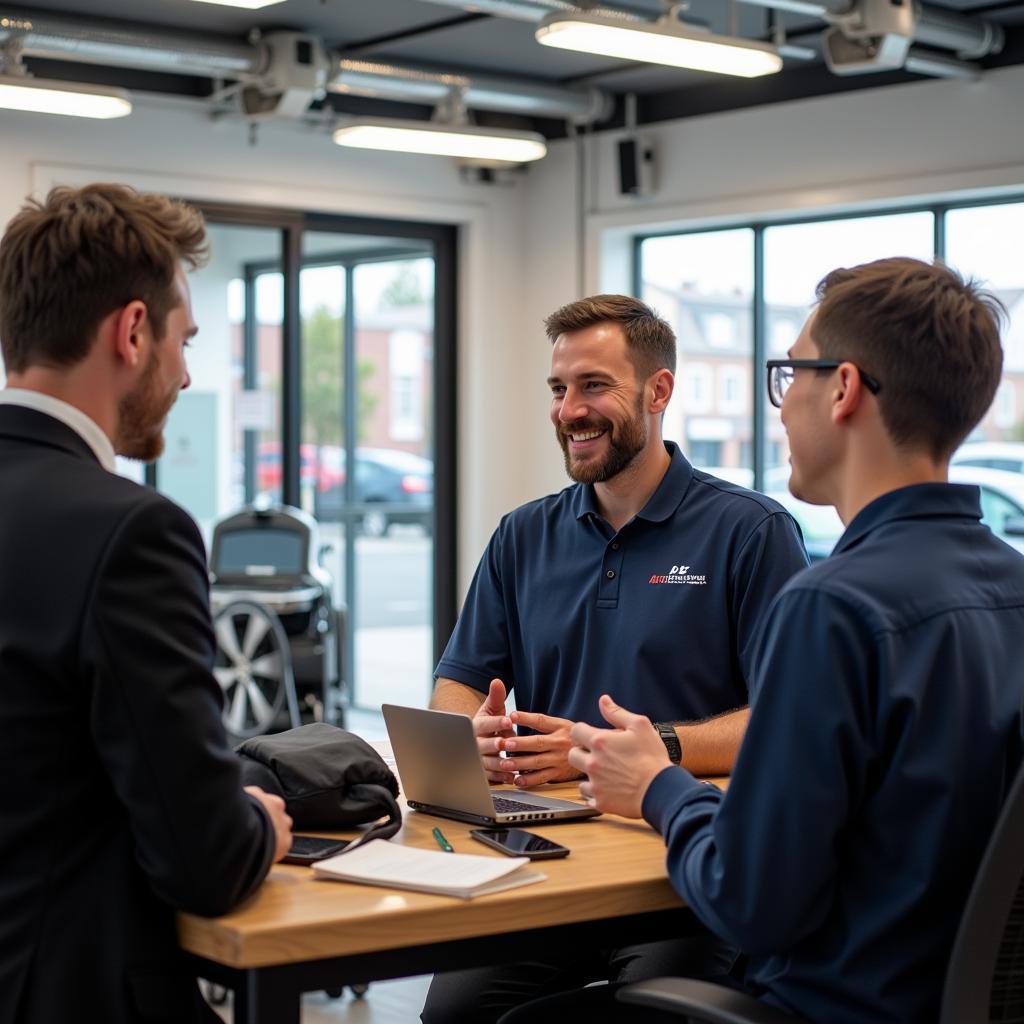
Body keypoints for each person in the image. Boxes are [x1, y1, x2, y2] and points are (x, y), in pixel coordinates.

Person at [550, 257, 1024, 1024]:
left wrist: (658, 785)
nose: (781, 406)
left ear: (842, 389)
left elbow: (749, 903)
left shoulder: (833, 610)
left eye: (789, 375)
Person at [422, 295, 809, 1023]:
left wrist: (633, 753)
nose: (570, 410)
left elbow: (784, 722)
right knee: (454, 1017)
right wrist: (463, 734)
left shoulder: (751, 534)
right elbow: (460, 679)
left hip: (680, 871)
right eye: (559, 389)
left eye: (595, 386)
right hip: (541, 860)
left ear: (658, 392)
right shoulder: (522, 536)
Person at [0, 184, 293, 1024]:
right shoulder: (133, 532)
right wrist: (259, 824)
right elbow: (204, 860)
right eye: (184, 339)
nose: (187, 370)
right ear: (132, 332)